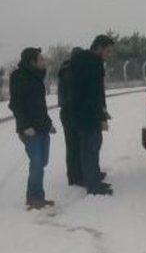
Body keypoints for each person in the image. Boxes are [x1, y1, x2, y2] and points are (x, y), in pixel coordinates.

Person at [8, 47, 56, 210]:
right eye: (41, 59)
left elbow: (40, 106)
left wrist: (48, 123)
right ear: (32, 62)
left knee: (43, 161)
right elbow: (16, 104)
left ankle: (37, 196)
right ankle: (34, 197)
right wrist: (25, 126)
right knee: (36, 162)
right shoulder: (19, 76)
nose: (44, 61)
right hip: (29, 130)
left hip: (42, 127)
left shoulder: (37, 77)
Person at [69, 34, 114, 196]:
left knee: (92, 148)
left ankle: (94, 180)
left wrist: (102, 111)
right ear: (99, 47)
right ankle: (93, 185)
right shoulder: (92, 64)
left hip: (83, 113)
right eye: (107, 51)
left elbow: (95, 93)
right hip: (87, 115)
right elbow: (93, 94)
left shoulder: (82, 61)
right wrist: (100, 115)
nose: (108, 55)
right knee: (90, 149)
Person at [57, 48, 83, 186]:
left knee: (72, 145)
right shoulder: (70, 71)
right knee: (75, 145)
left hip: (66, 111)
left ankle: (74, 175)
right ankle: (75, 176)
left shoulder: (65, 69)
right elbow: (73, 95)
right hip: (70, 112)